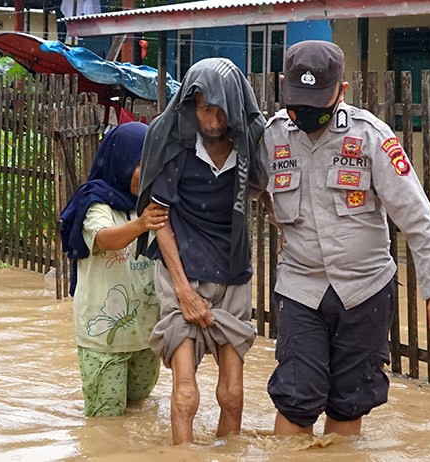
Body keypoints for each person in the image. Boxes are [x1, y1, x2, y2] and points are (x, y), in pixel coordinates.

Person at [262, 40, 430, 436]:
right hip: (300, 288)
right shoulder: (270, 137)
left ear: (342, 90)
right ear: (284, 86)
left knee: (349, 401)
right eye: (297, 104)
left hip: (366, 290)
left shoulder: (372, 137)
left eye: (319, 104)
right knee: (295, 396)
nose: (306, 115)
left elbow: (418, 217)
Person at [135, 57, 270, 445]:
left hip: (232, 271)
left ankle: (228, 452)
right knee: (185, 393)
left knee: (232, 392)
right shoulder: (173, 145)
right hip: (182, 270)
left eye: (218, 110)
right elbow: (158, 219)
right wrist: (183, 291)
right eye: (202, 108)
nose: (210, 120)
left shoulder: (251, 143)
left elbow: (267, 196)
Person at [60, 122, 168, 417]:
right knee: (105, 421)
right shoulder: (94, 202)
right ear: (120, 161)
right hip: (102, 336)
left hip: (146, 332)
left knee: (138, 411)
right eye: (140, 165)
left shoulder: (152, 204)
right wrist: (141, 224)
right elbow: (104, 239)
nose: (148, 173)